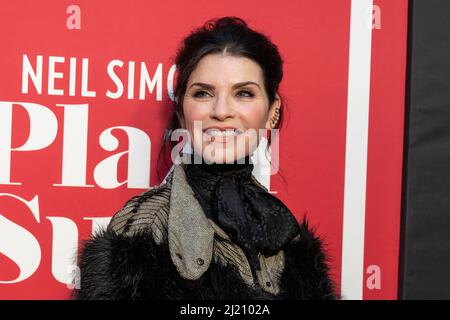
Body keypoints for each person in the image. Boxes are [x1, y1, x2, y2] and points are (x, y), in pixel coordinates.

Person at [73, 16, 337, 300]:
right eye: (203, 93)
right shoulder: (145, 226)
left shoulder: (286, 230)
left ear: (273, 111)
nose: (221, 111)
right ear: (181, 113)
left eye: (244, 93)